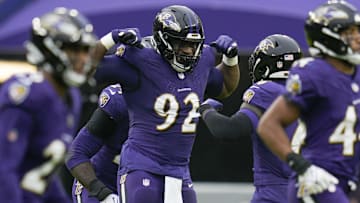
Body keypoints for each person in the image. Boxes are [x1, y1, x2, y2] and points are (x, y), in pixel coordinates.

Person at [84, 4, 240, 203]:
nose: (189, 51)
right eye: (182, 44)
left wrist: (231, 59)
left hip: (180, 171)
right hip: (143, 167)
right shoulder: (141, 60)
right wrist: (109, 39)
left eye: (193, 45)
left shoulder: (202, 62)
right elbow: (86, 70)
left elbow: (226, 88)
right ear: (165, 40)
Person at [257, 1, 360, 202]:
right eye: (349, 32)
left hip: (350, 176)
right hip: (318, 178)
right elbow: (269, 125)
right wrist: (301, 166)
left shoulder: (356, 74)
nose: (357, 38)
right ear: (329, 37)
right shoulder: (315, 73)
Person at [0, 7, 97, 203]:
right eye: (74, 50)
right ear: (48, 49)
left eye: (86, 50)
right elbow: (3, 169)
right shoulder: (29, 94)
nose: (83, 59)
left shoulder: (71, 97)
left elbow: (42, 173)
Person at [198, 34, 302, 203]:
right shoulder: (313, 92)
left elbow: (228, 130)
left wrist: (206, 109)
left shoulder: (266, 91)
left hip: (274, 193)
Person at [66, 84, 129, 203]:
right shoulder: (121, 101)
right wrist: (103, 193)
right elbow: (76, 153)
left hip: (142, 185)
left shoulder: (171, 106)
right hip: (102, 183)